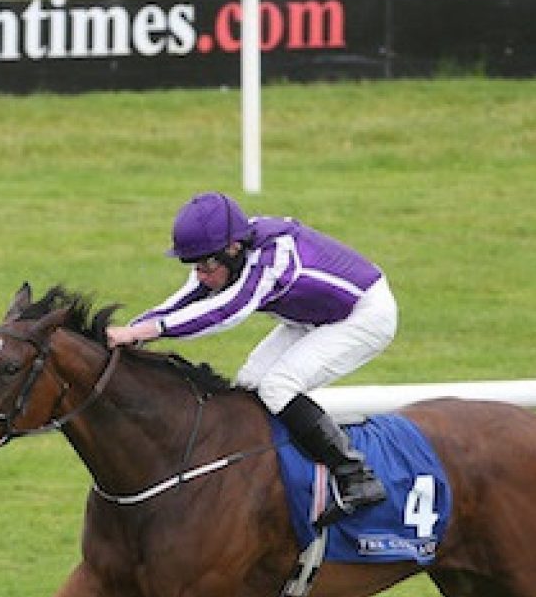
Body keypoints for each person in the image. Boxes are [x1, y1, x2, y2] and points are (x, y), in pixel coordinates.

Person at [104, 191, 398, 521]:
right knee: (249, 385)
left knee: (278, 387)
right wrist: (129, 332)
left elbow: (224, 312)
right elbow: (183, 300)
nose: (200, 274)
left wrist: (143, 332)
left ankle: (356, 475)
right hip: (312, 316)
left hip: (364, 315)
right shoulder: (229, 249)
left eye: (206, 265)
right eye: (194, 265)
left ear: (233, 249)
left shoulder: (274, 260)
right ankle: (277, 476)